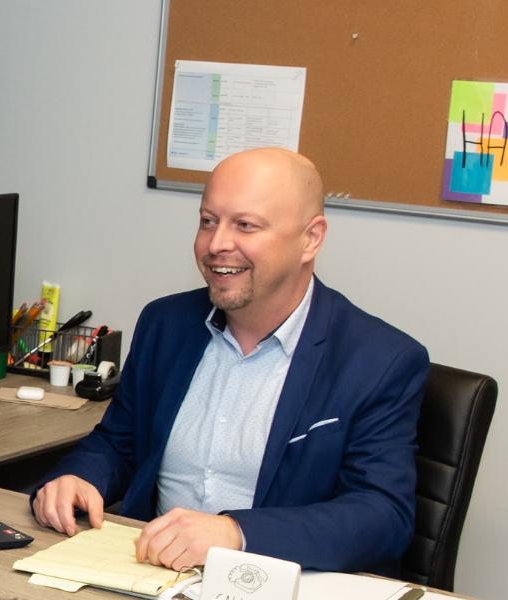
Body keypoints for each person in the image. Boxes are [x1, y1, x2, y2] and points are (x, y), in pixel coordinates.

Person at [32, 147, 429, 575]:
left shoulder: (379, 359)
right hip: (150, 574)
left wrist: (237, 533)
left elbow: (382, 515)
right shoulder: (166, 324)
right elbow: (119, 441)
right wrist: (77, 478)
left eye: (245, 225)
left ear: (310, 239)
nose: (217, 244)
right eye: (208, 221)